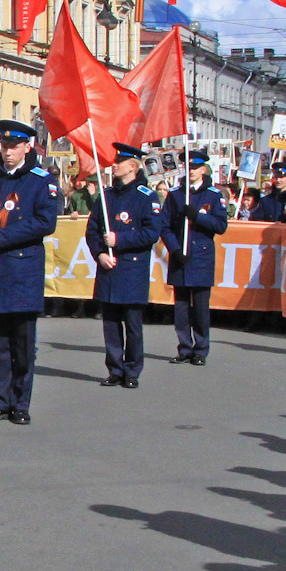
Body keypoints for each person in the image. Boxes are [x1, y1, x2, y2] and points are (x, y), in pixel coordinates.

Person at [0, 121, 60, 424]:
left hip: (22, 269)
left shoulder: (41, 181)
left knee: (22, 343)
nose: (8, 153)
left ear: (27, 147)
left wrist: (4, 236)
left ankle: (20, 403)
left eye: (14, 147)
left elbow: (45, 223)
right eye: (4, 147)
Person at [84, 143, 162, 388]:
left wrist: (121, 239)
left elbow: (151, 233)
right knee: (110, 323)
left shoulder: (146, 197)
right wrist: (99, 254)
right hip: (109, 267)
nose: (114, 165)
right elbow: (92, 231)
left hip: (132, 268)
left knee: (133, 324)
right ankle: (115, 369)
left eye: (119, 162)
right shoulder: (106, 197)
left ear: (132, 166)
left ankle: (132, 371)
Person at [162, 149, 229, 366]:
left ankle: (201, 348)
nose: (191, 171)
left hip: (201, 258)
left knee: (200, 307)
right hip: (181, 256)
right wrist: (174, 249)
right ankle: (184, 347)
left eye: (195, 167)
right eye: (187, 167)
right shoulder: (175, 194)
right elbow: (164, 225)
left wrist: (198, 217)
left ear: (203, 169)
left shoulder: (213, 194)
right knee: (181, 308)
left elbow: (220, 226)